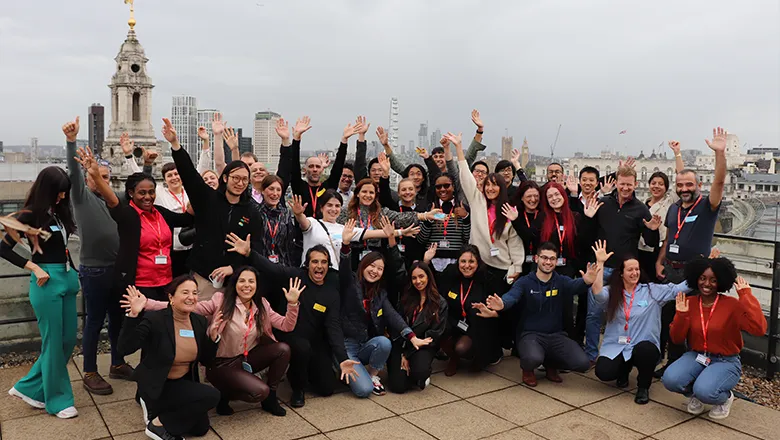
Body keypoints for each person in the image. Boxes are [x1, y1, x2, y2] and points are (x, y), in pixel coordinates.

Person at [125, 267, 301, 417]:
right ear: (235, 283)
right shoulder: (221, 301)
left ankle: (271, 396)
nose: (246, 285)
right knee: (258, 392)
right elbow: (189, 306)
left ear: (257, 285)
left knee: (283, 349)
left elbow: (287, 326)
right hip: (222, 363)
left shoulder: (261, 304)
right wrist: (147, 303)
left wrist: (292, 304)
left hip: (247, 357)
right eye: (242, 281)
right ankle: (224, 393)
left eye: (251, 281)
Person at [225, 234, 360, 408]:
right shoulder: (295, 276)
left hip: (316, 339)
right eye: (315, 262)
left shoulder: (331, 291)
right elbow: (272, 269)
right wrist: (250, 253)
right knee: (302, 348)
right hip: (291, 333)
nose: (319, 266)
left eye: (323, 262)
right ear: (307, 264)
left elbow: (333, 326)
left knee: (326, 389)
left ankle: (307, 371)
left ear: (328, 265)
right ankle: (298, 388)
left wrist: (342, 358)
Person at [62, 118, 134, 395]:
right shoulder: (82, 198)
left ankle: (117, 363)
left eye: (106, 177)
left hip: (118, 270)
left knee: (118, 320)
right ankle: (90, 371)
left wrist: (148, 165)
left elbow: (136, 188)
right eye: (97, 177)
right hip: (94, 271)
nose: (103, 181)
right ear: (89, 178)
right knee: (94, 321)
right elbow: (73, 174)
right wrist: (71, 142)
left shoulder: (115, 200)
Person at [1, 166, 79, 419]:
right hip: (46, 281)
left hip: (66, 277)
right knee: (53, 342)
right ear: (48, 190)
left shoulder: (58, 212)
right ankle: (56, 400)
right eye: (59, 192)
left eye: (65, 192)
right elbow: (3, 248)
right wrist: (33, 266)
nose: (63, 196)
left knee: (67, 340)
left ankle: (30, 388)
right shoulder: (29, 214)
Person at [162, 117, 265, 300]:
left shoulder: (252, 211)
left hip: (236, 281)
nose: (240, 183)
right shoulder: (208, 199)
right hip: (204, 277)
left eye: (244, 179)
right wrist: (175, 144)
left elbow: (256, 246)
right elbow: (189, 174)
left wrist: (233, 267)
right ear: (225, 178)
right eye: (235, 178)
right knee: (201, 322)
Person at [654, 128, 728, 376]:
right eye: (680, 185)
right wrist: (659, 261)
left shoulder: (708, 206)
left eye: (690, 184)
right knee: (669, 319)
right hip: (671, 270)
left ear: (699, 185)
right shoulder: (674, 208)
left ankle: (693, 365)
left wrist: (720, 153)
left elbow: (719, 181)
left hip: (695, 272)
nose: (684, 188)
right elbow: (668, 238)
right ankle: (671, 362)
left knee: (694, 321)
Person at [77, 147, 194, 303]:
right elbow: (112, 200)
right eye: (142, 193)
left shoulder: (161, 213)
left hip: (165, 282)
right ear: (131, 194)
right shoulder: (128, 215)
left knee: (161, 325)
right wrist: (96, 176)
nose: (148, 197)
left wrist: (197, 187)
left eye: (151, 192)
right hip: (138, 286)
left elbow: (187, 219)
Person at [118, 276, 222, 440]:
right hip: (158, 383)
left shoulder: (199, 321)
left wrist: (214, 339)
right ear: (171, 298)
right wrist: (133, 315)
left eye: (195, 293)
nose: (191, 297)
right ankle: (157, 424)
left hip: (182, 383)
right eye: (185, 292)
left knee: (200, 429)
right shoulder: (156, 320)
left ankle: (162, 410)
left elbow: (206, 361)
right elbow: (125, 348)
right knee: (212, 395)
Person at [338, 219, 433, 397]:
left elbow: (392, 315)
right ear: (363, 265)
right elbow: (343, 269)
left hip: (366, 343)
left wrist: (412, 337)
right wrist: (345, 245)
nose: (375, 271)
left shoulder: (379, 293)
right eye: (371, 266)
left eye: (380, 269)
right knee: (364, 391)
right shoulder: (350, 282)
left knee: (384, 342)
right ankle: (342, 365)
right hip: (348, 344)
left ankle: (373, 375)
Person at [662, 259, 766, 419]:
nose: (706, 283)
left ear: (721, 282)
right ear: (695, 278)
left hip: (725, 360)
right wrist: (681, 316)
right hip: (697, 356)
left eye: (713, 280)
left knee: (706, 391)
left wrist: (746, 295)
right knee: (670, 379)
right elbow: (676, 339)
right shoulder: (688, 303)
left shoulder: (732, 305)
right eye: (702, 278)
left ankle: (724, 398)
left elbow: (759, 329)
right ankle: (696, 394)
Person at [589, 242, 692, 404]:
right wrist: (600, 262)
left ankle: (643, 387)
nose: (634, 273)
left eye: (637, 269)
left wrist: (702, 269)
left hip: (643, 346)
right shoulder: (613, 292)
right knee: (603, 372)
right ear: (621, 273)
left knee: (645, 350)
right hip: (617, 345)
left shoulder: (652, 291)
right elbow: (598, 293)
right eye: (630, 269)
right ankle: (623, 370)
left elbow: (678, 289)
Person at [485, 242, 598, 387]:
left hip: (556, 335)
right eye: (544, 258)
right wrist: (502, 304)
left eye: (552, 259)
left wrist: (586, 281)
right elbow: (512, 296)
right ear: (536, 259)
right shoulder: (525, 282)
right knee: (533, 358)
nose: (548, 262)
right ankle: (528, 370)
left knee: (582, 363)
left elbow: (575, 285)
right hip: (530, 335)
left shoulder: (561, 281)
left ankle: (551, 364)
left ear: (556, 261)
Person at [505, 182, 601, 342]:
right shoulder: (543, 217)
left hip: (566, 269)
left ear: (563, 195)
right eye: (550, 196)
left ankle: (569, 343)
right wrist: (516, 221)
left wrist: (589, 219)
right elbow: (531, 237)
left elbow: (583, 242)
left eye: (557, 194)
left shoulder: (575, 216)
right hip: (545, 268)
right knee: (543, 307)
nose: (554, 198)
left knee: (566, 309)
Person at [585, 165, 662, 363]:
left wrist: (653, 230)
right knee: (594, 314)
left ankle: (620, 355)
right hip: (602, 267)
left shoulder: (641, 209)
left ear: (635, 184)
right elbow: (587, 234)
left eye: (629, 184)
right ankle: (592, 354)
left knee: (623, 315)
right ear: (616, 183)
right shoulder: (602, 204)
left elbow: (651, 243)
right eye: (622, 184)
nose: (625, 188)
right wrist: (588, 218)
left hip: (625, 272)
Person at [385, 231, 448, 393]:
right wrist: (401, 352)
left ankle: (421, 371)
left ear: (428, 277)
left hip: (423, 346)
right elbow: (397, 325)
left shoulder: (439, 303)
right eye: (414, 278)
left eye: (421, 276)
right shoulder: (405, 299)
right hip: (402, 342)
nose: (418, 281)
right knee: (398, 387)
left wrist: (408, 354)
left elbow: (433, 335)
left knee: (419, 374)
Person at [291, 191, 411, 269]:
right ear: (322, 208)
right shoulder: (313, 223)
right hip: (311, 273)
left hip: (333, 276)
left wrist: (400, 232)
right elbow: (303, 222)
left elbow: (371, 233)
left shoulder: (344, 229)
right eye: (329, 205)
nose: (333, 209)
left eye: (337, 206)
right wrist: (298, 214)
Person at [433, 245, 501, 376]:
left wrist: (493, 313)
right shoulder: (450, 275)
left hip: (477, 327)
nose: (467, 265)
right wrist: (426, 261)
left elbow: (499, 309)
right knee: (437, 328)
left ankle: (477, 357)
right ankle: (454, 358)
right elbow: (433, 287)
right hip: (454, 322)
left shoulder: (487, 279)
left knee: (462, 347)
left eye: (471, 261)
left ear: (478, 263)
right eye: (463, 261)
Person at [337, 178, 436, 266]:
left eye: (371, 192)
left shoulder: (381, 213)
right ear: (357, 193)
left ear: (375, 195)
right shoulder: (345, 213)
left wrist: (425, 215)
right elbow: (337, 234)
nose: (368, 195)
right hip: (352, 257)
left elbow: (400, 218)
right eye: (364, 192)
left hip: (375, 259)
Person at [276, 116, 349, 217]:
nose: (314, 169)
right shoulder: (299, 186)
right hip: (301, 231)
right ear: (305, 170)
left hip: (323, 230)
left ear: (322, 169)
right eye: (311, 166)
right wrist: (296, 139)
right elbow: (294, 165)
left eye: (318, 167)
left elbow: (338, 167)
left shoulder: (327, 188)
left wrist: (344, 141)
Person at [417, 174, 470, 272]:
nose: (442, 189)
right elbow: (421, 239)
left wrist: (466, 217)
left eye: (446, 186)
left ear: (453, 187)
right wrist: (429, 220)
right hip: (432, 261)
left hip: (456, 262)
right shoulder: (429, 208)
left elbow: (467, 238)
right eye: (438, 187)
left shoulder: (463, 208)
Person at [154, 161, 191, 278]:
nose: (174, 178)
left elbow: (201, 169)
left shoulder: (190, 192)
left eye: (176, 174)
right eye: (169, 175)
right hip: (171, 249)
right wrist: (129, 157)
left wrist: (205, 145)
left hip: (192, 247)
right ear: (164, 180)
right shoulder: (160, 193)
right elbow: (142, 179)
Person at [255, 175, 300, 267]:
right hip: (260, 266)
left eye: (278, 190)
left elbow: (290, 245)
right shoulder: (255, 213)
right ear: (263, 191)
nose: (275, 193)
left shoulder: (286, 214)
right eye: (271, 189)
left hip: (282, 266)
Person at [637, 171, 674, 282]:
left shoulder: (669, 203)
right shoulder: (642, 204)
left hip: (657, 250)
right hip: (639, 249)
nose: (656, 186)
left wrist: (678, 155)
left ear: (666, 187)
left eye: (661, 184)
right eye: (653, 183)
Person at [509, 181, 540, 275]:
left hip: (539, 264)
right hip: (519, 262)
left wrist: (516, 222)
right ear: (522, 198)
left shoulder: (543, 215)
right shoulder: (515, 214)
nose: (533, 199)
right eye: (529, 196)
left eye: (536, 196)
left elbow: (532, 236)